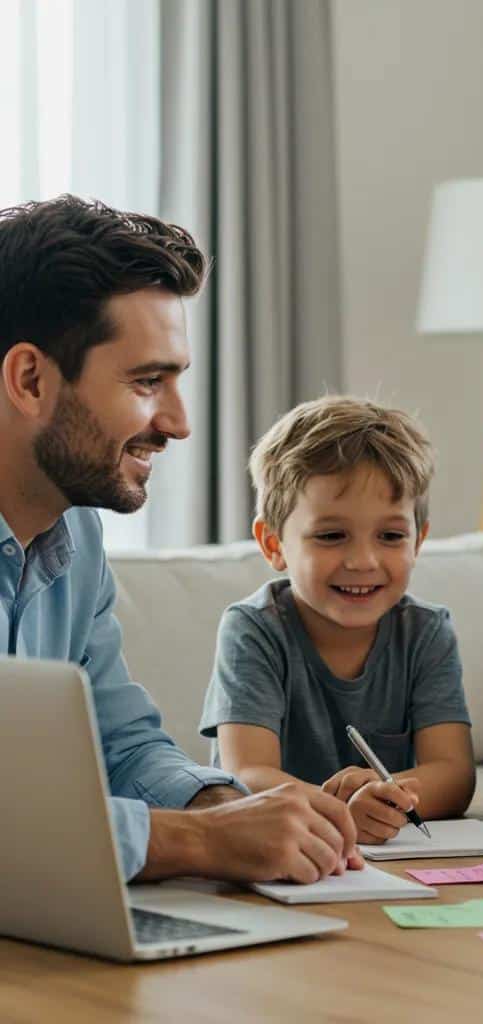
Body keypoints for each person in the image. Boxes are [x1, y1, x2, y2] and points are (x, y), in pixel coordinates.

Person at [0, 195, 362, 884]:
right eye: (146, 382)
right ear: (30, 379)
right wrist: (200, 842)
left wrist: (225, 804)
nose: (178, 422)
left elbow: (120, 743)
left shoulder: (74, 531)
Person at [200, 396, 476, 844]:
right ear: (273, 544)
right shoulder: (252, 630)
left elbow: (454, 773)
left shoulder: (427, 632)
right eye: (331, 536)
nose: (364, 561)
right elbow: (245, 772)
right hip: (276, 847)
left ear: (418, 542)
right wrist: (343, 810)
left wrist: (380, 800)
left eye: (390, 536)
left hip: (386, 857)